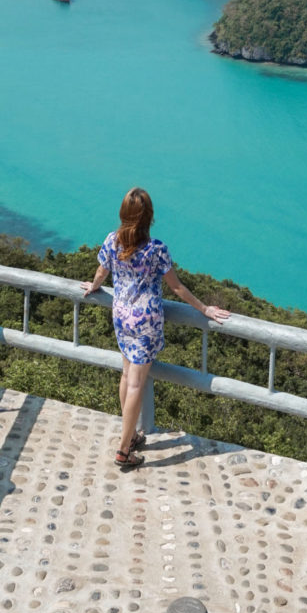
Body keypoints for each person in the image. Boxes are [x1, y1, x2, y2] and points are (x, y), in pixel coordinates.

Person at [83, 187, 230, 471]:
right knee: (137, 382)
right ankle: (124, 449)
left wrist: (94, 287)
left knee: (127, 375)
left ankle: (133, 435)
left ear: (123, 214)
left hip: (121, 317)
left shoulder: (112, 241)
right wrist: (204, 309)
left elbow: (101, 272)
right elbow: (176, 287)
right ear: (149, 217)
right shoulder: (156, 249)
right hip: (147, 321)